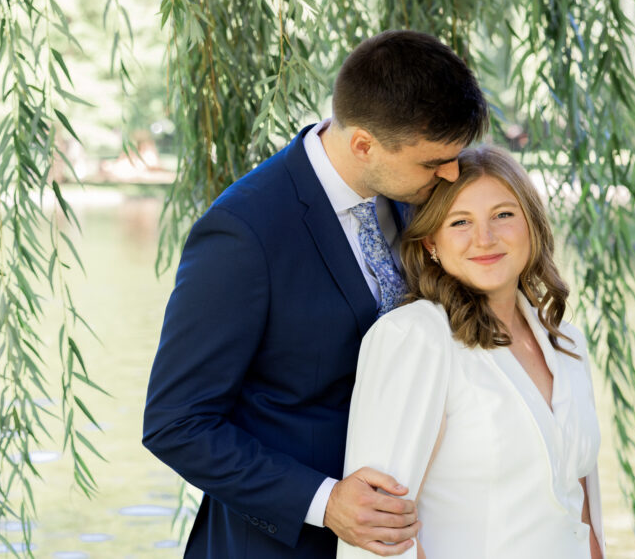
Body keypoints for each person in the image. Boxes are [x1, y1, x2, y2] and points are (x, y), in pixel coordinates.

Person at [142, 30, 489, 558]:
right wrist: (325, 502)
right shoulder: (244, 233)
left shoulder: (416, 196)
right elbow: (178, 423)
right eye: (432, 162)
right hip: (280, 546)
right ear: (363, 144)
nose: (452, 173)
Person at [338, 145, 605, 559]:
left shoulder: (565, 342)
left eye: (503, 214)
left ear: (531, 225)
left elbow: (579, 505)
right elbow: (381, 535)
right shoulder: (416, 337)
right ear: (431, 243)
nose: (486, 238)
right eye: (460, 221)